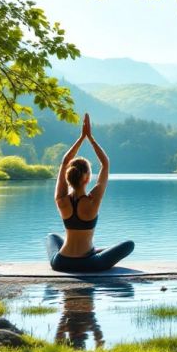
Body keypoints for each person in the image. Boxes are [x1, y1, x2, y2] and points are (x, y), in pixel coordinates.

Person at [45, 113, 134, 272]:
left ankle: (94, 249)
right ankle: (94, 250)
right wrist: (90, 138)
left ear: (68, 176)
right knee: (129, 245)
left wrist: (80, 138)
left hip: (60, 263)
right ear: (86, 179)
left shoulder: (61, 200)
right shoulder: (93, 200)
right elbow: (105, 164)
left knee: (52, 237)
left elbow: (65, 162)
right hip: (89, 263)